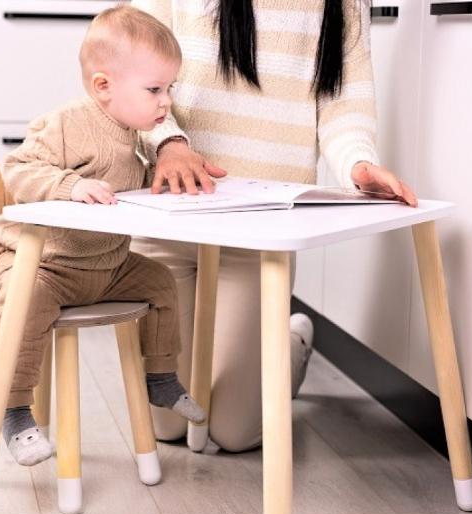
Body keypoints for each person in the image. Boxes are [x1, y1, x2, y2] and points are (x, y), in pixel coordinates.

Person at [131, 0, 418, 452]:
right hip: (168, 219)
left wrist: (358, 165)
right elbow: (128, 65)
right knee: (163, 424)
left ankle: (292, 343)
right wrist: (168, 142)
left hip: (260, 233)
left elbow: (345, 102)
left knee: (232, 431)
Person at [0, 5, 206, 466]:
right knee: (23, 307)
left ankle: (162, 378)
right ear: (103, 87)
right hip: (46, 263)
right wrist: (71, 185)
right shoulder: (68, 123)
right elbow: (19, 170)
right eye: (155, 90)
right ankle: (13, 411)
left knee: (161, 282)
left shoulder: (133, 133)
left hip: (107, 266)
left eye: (169, 89)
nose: (166, 103)